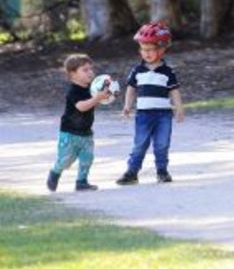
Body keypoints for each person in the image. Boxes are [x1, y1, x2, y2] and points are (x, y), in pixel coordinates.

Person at [117, 22, 185, 185]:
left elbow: (174, 91)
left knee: (162, 144)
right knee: (140, 144)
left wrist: (179, 108)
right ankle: (132, 172)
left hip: (163, 115)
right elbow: (131, 89)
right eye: (142, 49)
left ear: (161, 49)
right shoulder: (137, 71)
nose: (145, 53)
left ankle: (162, 172)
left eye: (149, 49)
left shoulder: (168, 72)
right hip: (144, 115)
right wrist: (127, 106)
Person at [46, 54, 110, 192]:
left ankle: (81, 181)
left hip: (86, 132)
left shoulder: (92, 89)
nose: (90, 72)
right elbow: (81, 106)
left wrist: (103, 97)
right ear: (73, 74)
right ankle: (55, 172)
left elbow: (92, 105)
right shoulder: (73, 91)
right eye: (85, 70)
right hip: (69, 133)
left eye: (91, 69)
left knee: (88, 157)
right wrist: (97, 98)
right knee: (66, 160)